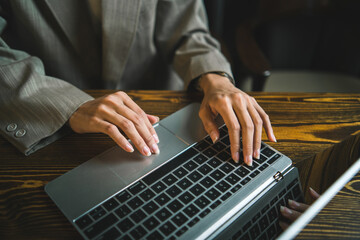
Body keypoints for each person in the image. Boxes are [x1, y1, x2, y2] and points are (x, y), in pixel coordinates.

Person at [0, 0, 276, 166]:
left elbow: (186, 30)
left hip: (158, 111)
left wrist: (216, 78)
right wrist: (71, 106)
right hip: (48, 114)